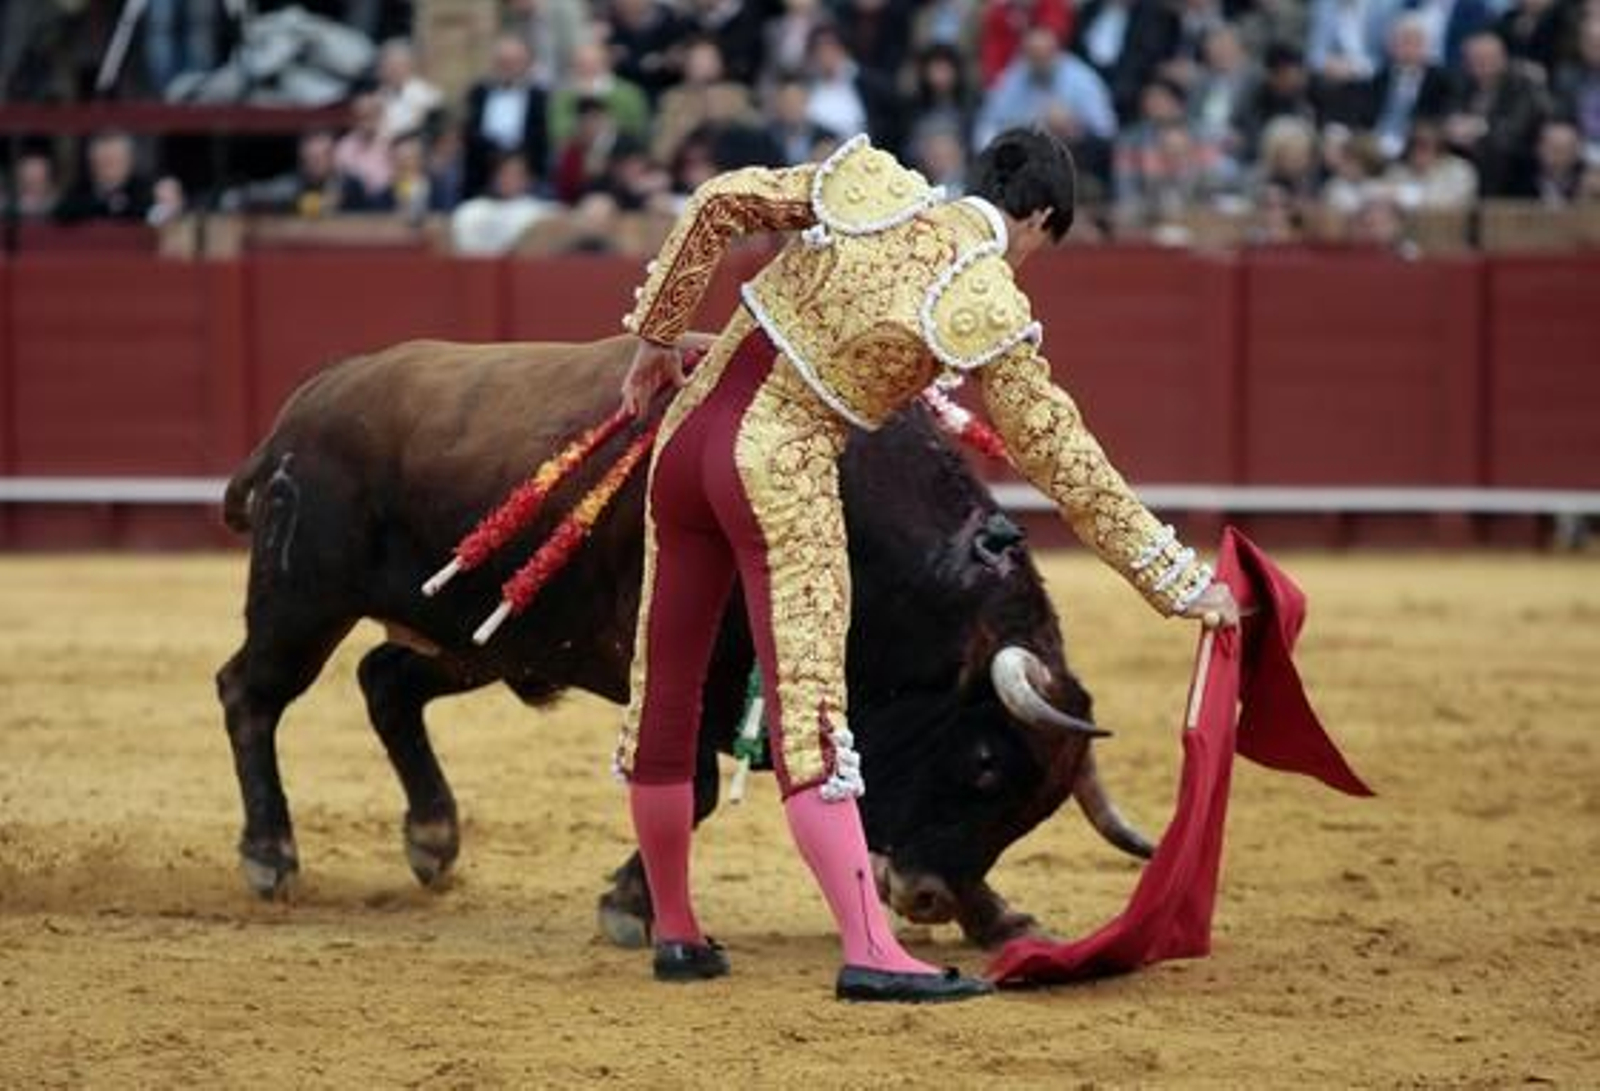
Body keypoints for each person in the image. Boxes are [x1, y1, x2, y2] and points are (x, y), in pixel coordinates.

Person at [612, 128, 1238, 1003]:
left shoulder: (870, 183)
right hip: (774, 464)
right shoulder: (982, 293)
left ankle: (676, 930)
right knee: (812, 719)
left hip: (685, 442)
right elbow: (1063, 456)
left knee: (667, 691)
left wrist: (655, 336)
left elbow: (720, 201)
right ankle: (870, 945)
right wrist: (1177, 580)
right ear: (1041, 219)